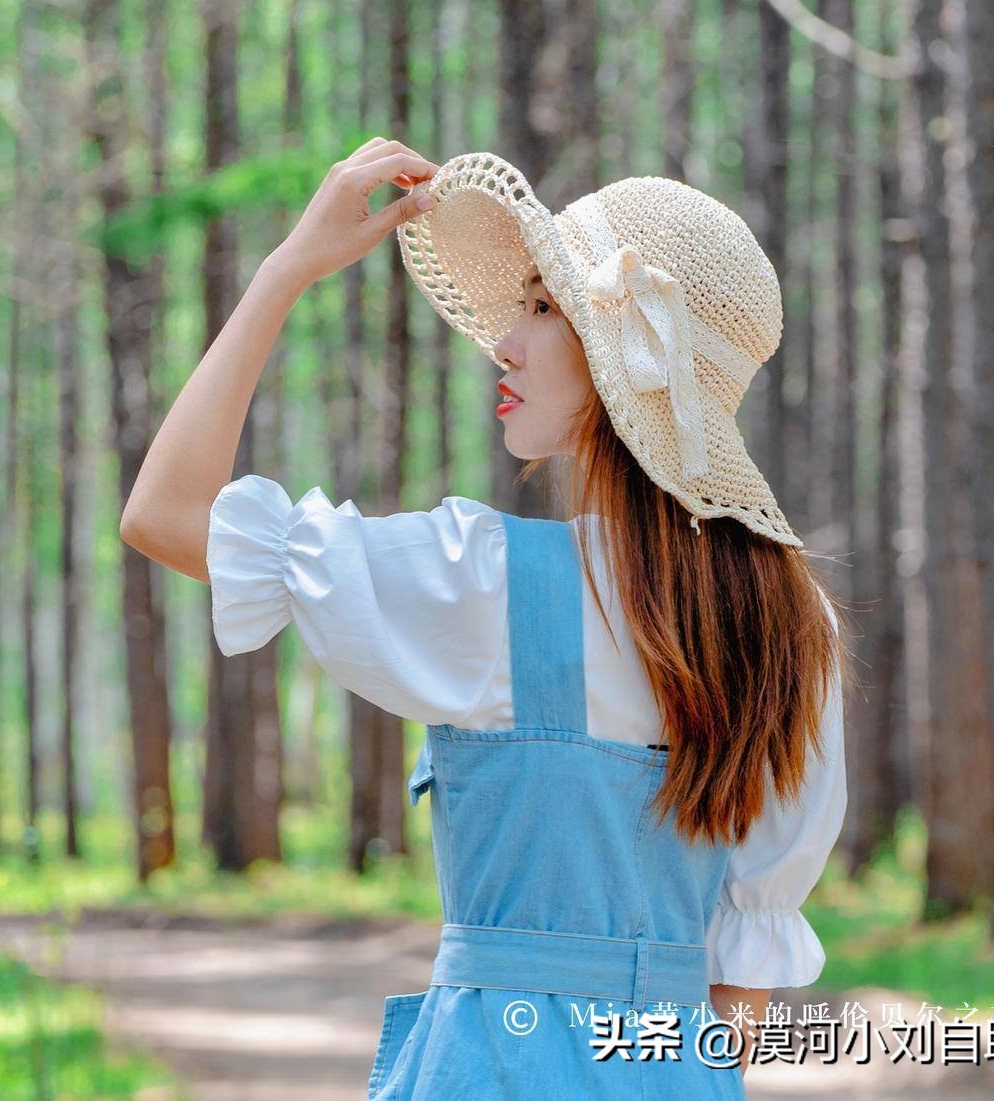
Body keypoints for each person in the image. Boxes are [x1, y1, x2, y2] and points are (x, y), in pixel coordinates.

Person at [119, 138, 849, 1097]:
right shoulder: (793, 624)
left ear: (621, 359)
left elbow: (163, 514)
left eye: (547, 308)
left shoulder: (490, 581)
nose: (507, 340)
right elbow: (739, 984)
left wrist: (286, 268)